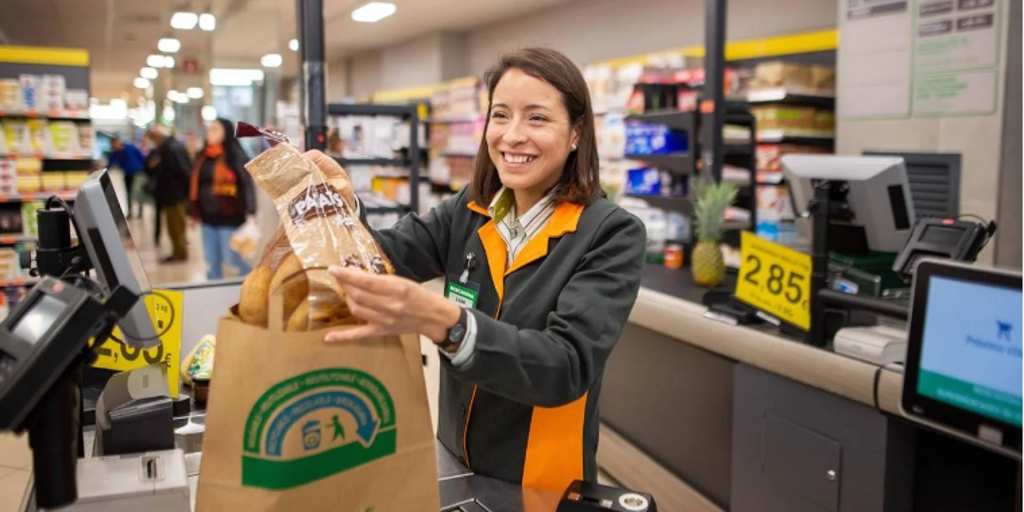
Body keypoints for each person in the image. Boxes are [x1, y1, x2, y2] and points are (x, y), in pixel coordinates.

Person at [307, 48, 646, 493]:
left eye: (537, 119)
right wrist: (342, 206)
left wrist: (445, 322)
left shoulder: (610, 234)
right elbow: (382, 259)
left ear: (577, 133)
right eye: (500, 115)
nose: (512, 135)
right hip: (455, 462)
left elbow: (564, 365)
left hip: (541, 481)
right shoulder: (469, 211)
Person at [188, 118, 256, 280]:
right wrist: (191, 212)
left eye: (215, 129)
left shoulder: (235, 157)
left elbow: (246, 185)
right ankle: (213, 294)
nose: (210, 132)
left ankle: (251, 282)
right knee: (212, 261)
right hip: (207, 217)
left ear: (226, 133)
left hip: (230, 216)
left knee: (232, 258)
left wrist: (251, 210)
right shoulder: (202, 156)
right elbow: (194, 185)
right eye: (209, 129)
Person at [145, 125, 192, 263]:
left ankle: (180, 252)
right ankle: (178, 251)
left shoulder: (171, 148)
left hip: (174, 193)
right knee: (174, 224)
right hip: (172, 192)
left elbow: (183, 171)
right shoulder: (170, 147)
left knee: (176, 225)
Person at [107, 136, 146, 218]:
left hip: (137, 173)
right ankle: (130, 211)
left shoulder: (130, 148)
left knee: (138, 192)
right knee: (128, 193)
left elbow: (141, 157)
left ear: (118, 142)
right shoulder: (115, 153)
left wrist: (145, 169)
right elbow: (110, 163)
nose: (115, 146)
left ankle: (140, 211)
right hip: (127, 174)